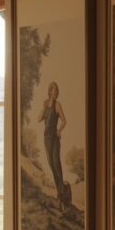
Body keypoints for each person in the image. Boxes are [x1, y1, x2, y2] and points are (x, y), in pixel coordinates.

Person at [38, 81, 67, 210]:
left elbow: (64, 121)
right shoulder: (45, 104)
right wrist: (44, 107)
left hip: (54, 139)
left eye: (57, 90)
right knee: (52, 166)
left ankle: (61, 197)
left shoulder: (57, 105)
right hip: (46, 139)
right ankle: (60, 194)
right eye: (54, 90)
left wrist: (59, 131)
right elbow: (39, 119)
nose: (56, 92)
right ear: (50, 91)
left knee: (57, 165)